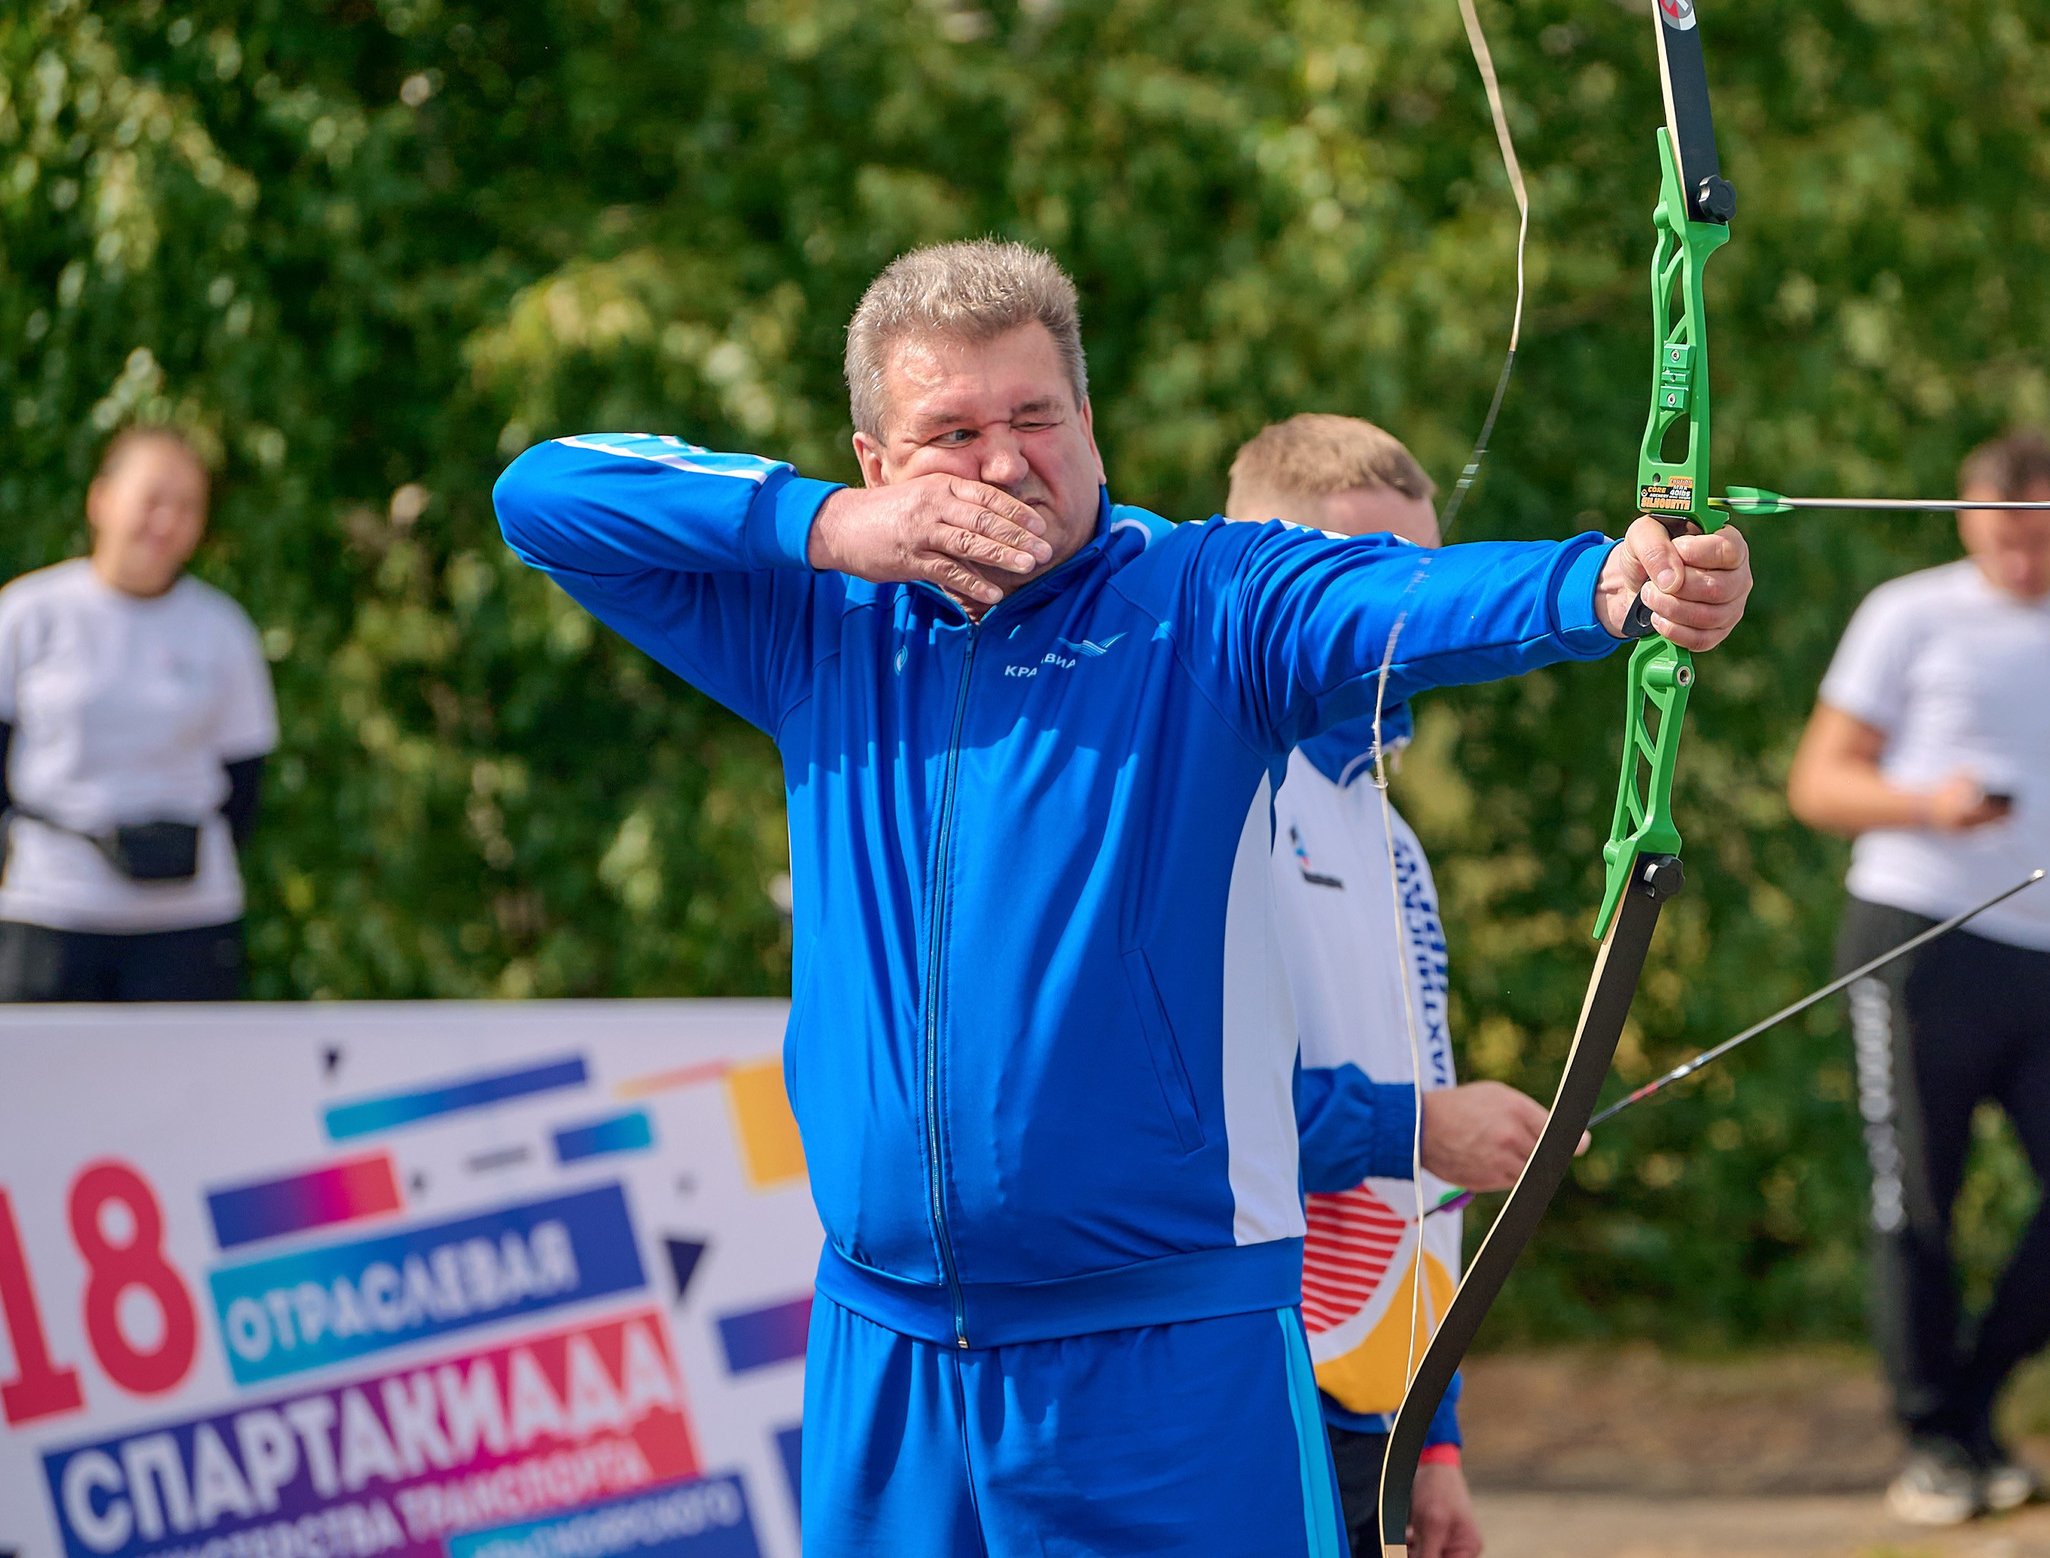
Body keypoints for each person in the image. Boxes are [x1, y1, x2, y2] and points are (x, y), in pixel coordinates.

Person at [493, 239, 1753, 1556]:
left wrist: (1609, 585)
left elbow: (1400, 595)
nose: (1000, 461)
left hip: (1169, 1351)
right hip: (890, 1346)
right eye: (950, 432)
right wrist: (823, 531)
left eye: (1036, 416)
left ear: (1088, 424)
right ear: (874, 462)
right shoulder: (821, 625)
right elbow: (543, 493)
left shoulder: (1207, 599)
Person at [1786, 428, 2050, 1523]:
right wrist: (1927, 801)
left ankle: (1972, 1401)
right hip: (1916, 933)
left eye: (2042, 535)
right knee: (1914, 1197)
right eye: (2002, 535)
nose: (2021, 557)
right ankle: (1933, 1441)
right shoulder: (1908, 614)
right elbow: (1815, 781)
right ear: (1966, 517)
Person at [1233, 415, 1553, 1558]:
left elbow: (1429, 1139)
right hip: (1253, 1382)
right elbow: (1195, 1116)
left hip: (1380, 1388)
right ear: (1267, 577)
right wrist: (1416, 1125)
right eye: (1371, 579)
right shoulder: (1224, 807)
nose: (1406, 618)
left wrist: (1437, 1437)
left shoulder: (1387, 828)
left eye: (1426, 578)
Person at [0, 427, 276, 1001]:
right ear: (100, 500)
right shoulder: (29, 613)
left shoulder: (221, 630)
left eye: (187, 506)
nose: (167, 521)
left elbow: (244, 783)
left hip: (188, 921)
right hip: (50, 910)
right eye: (152, 499)